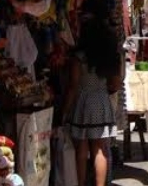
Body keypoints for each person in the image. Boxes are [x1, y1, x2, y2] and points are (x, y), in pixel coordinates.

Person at [64, 14, 122, 186]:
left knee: (81, 149)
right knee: (99, 149)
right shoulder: (110, 56)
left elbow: (73, 85)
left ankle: (81, 183)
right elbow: (115, 84)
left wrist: (65, 110)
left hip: (82, 103)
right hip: (102, 102)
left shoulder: (79, 57)